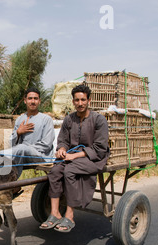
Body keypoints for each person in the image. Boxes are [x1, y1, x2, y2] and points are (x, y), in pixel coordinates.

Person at [40, 84, 110, 232]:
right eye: (77, 100)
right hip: (72, 156)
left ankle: (70, 215)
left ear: (89, 100)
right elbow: (63, 140)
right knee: (55, 171)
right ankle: (55, 213)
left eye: (83, 100)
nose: (80, 103)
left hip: (94, 158)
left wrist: (74, 156)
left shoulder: (99, 120)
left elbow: (99, 148)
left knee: (69, 171)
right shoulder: (69, 119)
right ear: (73, 101)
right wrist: (62, 150)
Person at [0, 87, 55, 179]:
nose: (32, 101)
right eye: (30, 98)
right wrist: (18, 133)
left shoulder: (46, 119)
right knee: (3, 156)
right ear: (25, 101)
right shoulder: (20, 119)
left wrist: (25, 148)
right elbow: (12, 144)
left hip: (41, 155)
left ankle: (11, 182)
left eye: (35, 99)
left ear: (39, 101)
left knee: (21, 149)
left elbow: (46, 145)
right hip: (21, 155)